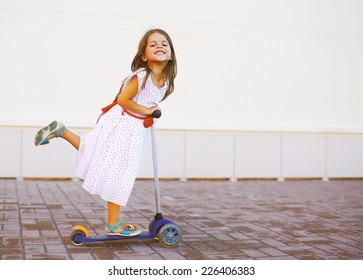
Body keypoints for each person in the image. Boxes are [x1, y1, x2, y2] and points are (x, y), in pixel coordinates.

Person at [34, 29, 177, 236]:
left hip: (133, 127)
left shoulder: (166, 81)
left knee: (101, 157)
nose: (159, 47)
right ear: (144, 56)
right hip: (122, 124)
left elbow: (148, 102)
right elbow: (123, 101)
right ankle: (112, 225)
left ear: (171, 54)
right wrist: (147, 110)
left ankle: (61, 130)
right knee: (119, 174)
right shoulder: (143, 76)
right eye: (153, 44)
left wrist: (151, 110)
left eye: (164, 44)